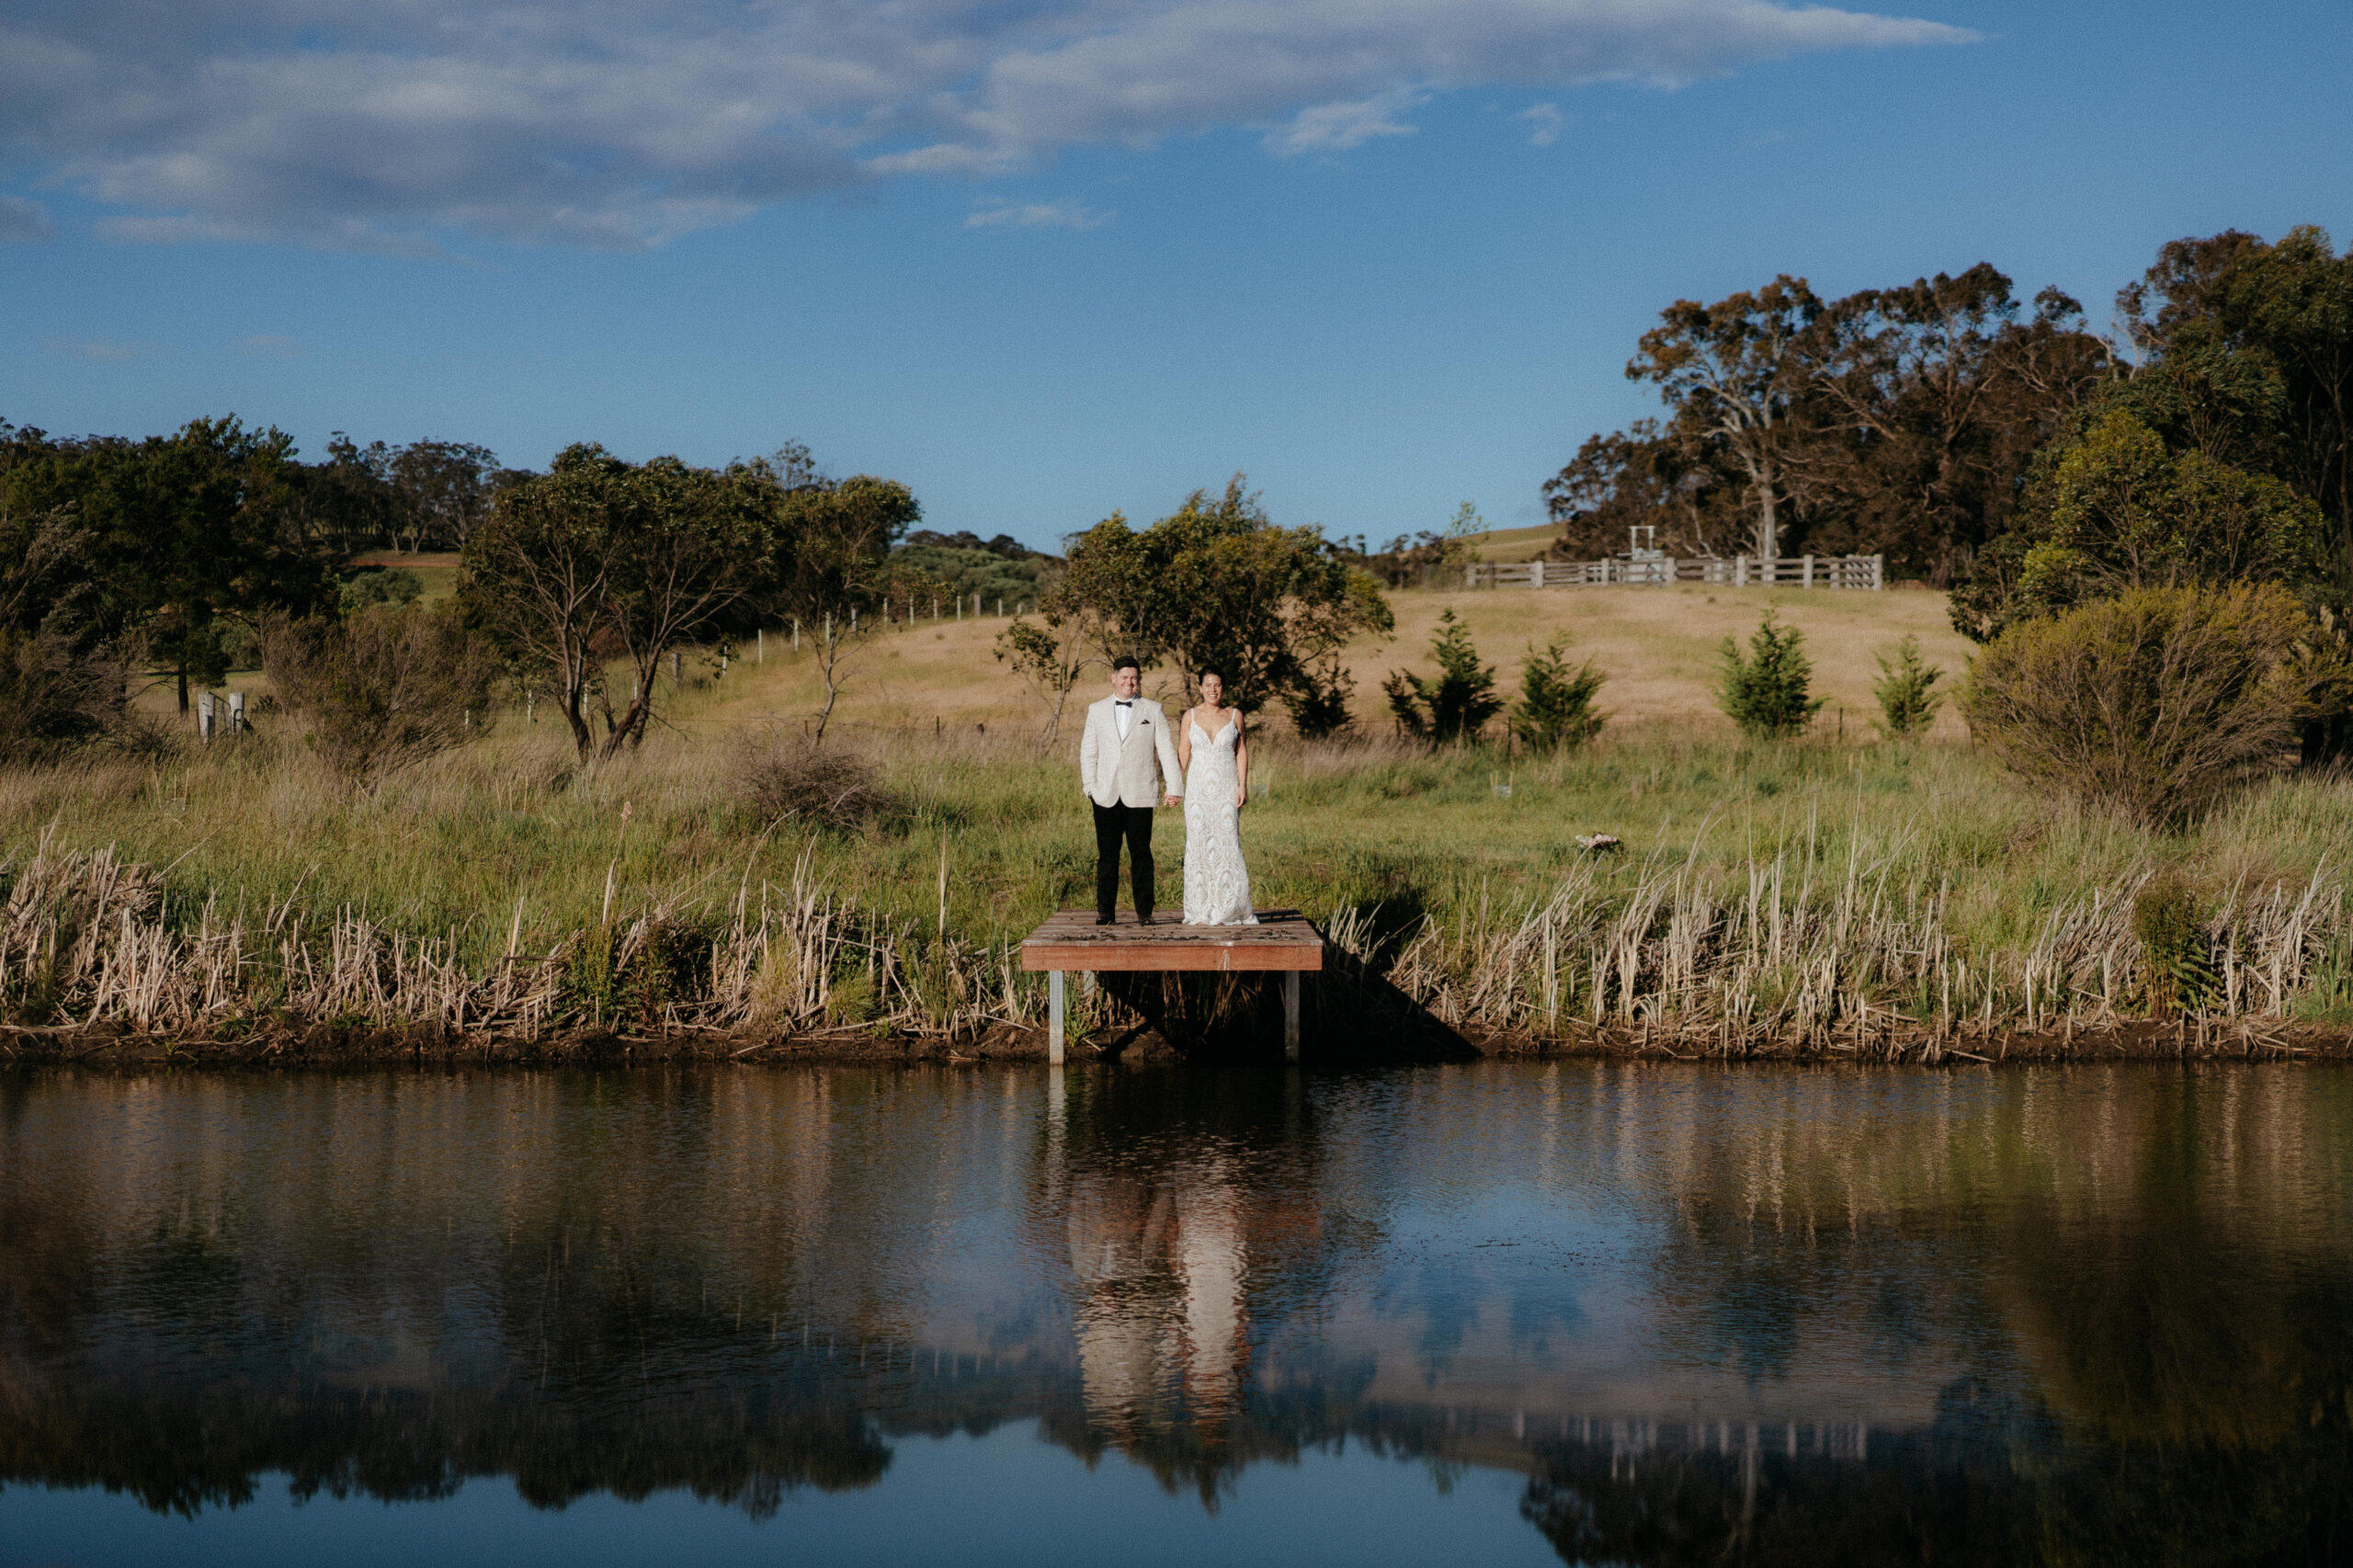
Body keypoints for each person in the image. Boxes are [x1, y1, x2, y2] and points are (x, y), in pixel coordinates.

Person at [1077, 656, 1183, 926]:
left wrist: (1175, 787)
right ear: (1114, 678)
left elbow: (1167, 750)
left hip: (1141, 793)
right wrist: (1090, 786)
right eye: (1124, 677)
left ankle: (1145, 913)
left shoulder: (1153, 709)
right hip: (1105, 794)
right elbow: (1089, 751)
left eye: (1134, 678)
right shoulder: (1096, 709)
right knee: (1107, 856)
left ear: (1139, 680)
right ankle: (1105, 912)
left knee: (1142, 854)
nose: (1129, 683)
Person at [1176, 669, 1256, 926]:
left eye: (1218, 685)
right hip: (1198, 791)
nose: (1213, 690)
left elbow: (1241, 751)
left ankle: (1229, 907)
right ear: (1200, 687)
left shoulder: (1235, 715)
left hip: (1226, 788)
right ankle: (1199, 908)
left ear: (1223, 688)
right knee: (1198, 842)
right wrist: (1176, 785)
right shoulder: (1190, 716)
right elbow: (1183, 751)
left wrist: (1242, 786)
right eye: (1208, 685)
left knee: (1227, 841)